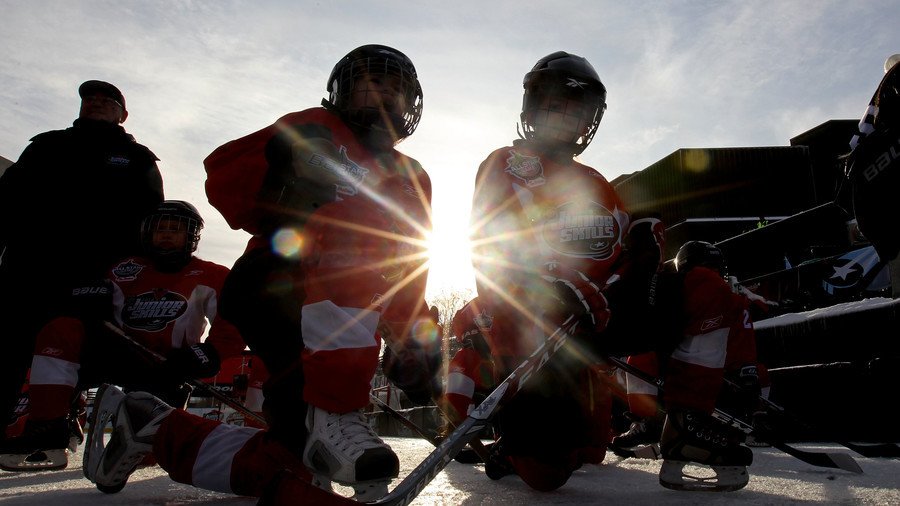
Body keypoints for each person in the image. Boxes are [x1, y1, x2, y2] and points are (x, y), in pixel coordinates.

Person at [82, 44, 439, 504]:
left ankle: (153, 426)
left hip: (337, 318)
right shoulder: (317, 125)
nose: (386, 97)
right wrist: (281, 165)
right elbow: (223, 176)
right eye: (374, 85)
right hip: (275, 284)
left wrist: (413, 334)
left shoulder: (414, 176)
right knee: (351, 232)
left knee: (292, 456)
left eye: (397, 90)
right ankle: (334, 410)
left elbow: (409, 261)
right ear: (345, 91)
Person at [461, 51, 670, 492]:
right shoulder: (504, 165)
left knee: (701, 282)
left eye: (577, 110)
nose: (565, 118)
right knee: (551, 469)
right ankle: (518, 438)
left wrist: (644, 245)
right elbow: (489, 251)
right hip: (538, 327)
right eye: (556, 105)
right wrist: (543, 289)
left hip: (597, 320)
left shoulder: (598, 182)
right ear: (533, 108)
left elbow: (618, 249)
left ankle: (695, 427)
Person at [0, 200, 245, 472]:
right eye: (159, 228)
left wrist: (206, 355)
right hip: (119, 354)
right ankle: (48, 427)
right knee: (60, 329)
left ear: (191, 236)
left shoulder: (214, 275)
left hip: (167, 368)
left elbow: (232, 326)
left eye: (175, 229)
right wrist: (87, 300)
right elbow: (90, 305)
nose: (165, 234)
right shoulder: (123, 269)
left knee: (148, 454)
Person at [0, 80, 164, 435]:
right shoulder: (46, 146)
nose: (96, 103)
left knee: (79, 349)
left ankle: (56, 422)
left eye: (107, 100)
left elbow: (151, 221)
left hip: (97, 274)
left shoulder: (137, 159)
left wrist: (135, 275)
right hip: (28, 267)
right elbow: (7, 199)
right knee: (11, 344)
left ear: (123, 113)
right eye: (90, 98)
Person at [610, 240, 765, 491]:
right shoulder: (709, 289)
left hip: (704, 375)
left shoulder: (720, 296)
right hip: (690, 378)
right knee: (641, 357)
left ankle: (678, 424)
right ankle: (671, 425)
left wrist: (746, 370)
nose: (713, 274)